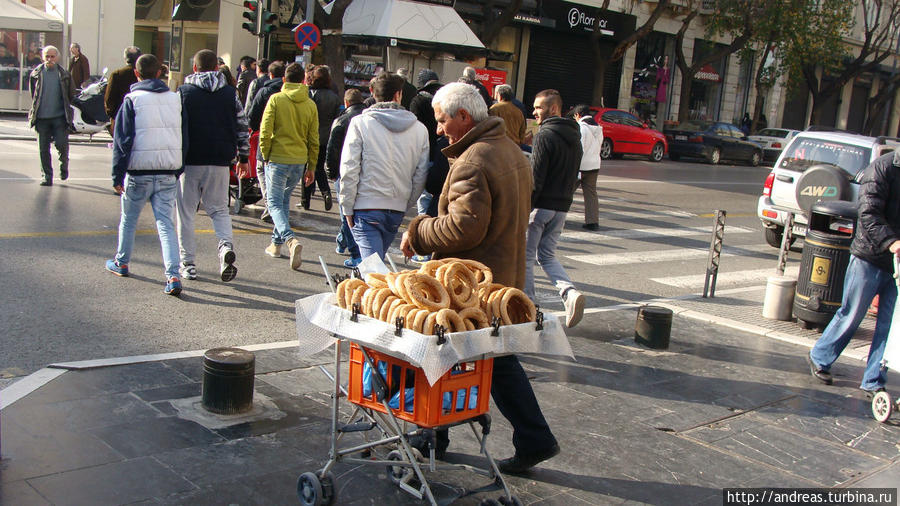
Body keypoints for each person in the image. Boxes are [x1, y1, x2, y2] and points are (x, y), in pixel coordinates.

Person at [400, 82, 560, 474]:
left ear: (463, 117)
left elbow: (464, 228)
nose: (439, 130)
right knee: (496, 363)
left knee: (439, 352)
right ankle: (532, 438)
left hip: (472, 286)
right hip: (502, 277)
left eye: (441, 121)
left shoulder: (474, 160)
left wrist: (418, 231)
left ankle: (433, 434)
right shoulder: (510, 150)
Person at [807, 151, 900, 396]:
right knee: (852, 314)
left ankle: (873, 379)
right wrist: (891, 241)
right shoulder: (882, 168)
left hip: (897, 263)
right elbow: (868, 212)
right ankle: (820, 356)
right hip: (870, 256)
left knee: (889, 325)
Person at [105, 54, 184, 296]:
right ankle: (172, 275)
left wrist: (116, 176)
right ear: (160, 72)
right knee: (166, 224)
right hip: (167, 171)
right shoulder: (176, 99)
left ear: (136, 74)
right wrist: (178, 167)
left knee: (129, 219)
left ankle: (122, 262)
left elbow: (122, 141)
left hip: (138, 171)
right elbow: (185, 135)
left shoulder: (132, 100)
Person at [176, 49, 250, 283]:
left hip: (190, 160)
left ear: (195, 68)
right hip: (220, 160)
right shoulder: (230, 93)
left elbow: (176, 125)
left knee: (186, 213)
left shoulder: (184, 92)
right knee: (219, 210)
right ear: (217, 68)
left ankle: (188, 264)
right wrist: (244, 157)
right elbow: (242, 125)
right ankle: (225, 247)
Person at [338, 72, 429, 261]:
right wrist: (405, 203)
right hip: (395, 208)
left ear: (371, 92)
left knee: (373, 272)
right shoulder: (420, 129)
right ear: (398, 95)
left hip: (365, 205)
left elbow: (349, 168)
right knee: (373, 267)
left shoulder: (360, 123)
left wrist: (347, 206)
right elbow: (421, 174)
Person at [527, 89, 585, 328]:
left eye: (538, 107)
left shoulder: (545, 135)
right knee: (547, 256)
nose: (534, 112)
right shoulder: (575, 137)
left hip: (540, 207)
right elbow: (575, 177)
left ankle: (527, 308)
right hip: (561, 208)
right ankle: (569, 293)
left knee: (526, 257)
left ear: (553, 109)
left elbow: (535, 178)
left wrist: (525, 208)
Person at [258, 62, 319, 271]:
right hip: (299, 160)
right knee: (283, 201)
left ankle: (289, 239)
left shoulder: (276, 99)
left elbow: (265, 131)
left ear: (284, 79)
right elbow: (314, 139)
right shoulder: (310, 105)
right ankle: (275, 245)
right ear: (303, 80)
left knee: (273, 203)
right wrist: (312, 165)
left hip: (277, 158)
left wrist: (265, 155)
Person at [326, 88, 366, 267]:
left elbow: (332, 150)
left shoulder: (341, 121)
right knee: (350, 212)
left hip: (345, 171)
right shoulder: (367, 119)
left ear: (346, 103)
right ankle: (343, 241)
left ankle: (355, 252)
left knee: (346, 213)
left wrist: (332, 173)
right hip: (364, 172)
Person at [28, 45, 75, 187]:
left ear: (57, 57)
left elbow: (71, 94)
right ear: (43, 57)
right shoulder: (36, 74)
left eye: (52, 56)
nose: (49, 59)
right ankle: (47, 176)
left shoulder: (64, 74)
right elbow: (33, 95)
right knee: (43, 149)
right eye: (47, 56)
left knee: (61, 144)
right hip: (41, 118)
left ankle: (64, 164)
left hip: (59, 118)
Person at [247, 61, 286, 222]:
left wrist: (255, 128)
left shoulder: (264, 92)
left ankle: (271, 207)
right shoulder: (294, 94)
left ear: (270, 75)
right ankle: (278, 207)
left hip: (267, 139)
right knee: (282, 178)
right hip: (289, 143)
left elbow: (252, 116)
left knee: (262, 170)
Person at [300, 65, 340, 211]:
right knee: (319, 167)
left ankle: (306, 200)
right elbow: (337, 118)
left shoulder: (311, 95)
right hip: (326, 136)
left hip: (311, 136)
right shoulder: (334, 98)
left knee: (308, 167)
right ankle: (326, 192)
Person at [572, 104, 603, 232]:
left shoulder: (581, 128)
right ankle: (592, 222)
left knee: (567, 191)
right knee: (591, 195)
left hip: (581, 166)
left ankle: (557, 217)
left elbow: (580, 149)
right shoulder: (598, 128)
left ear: (578, 115)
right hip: (594, 165)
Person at [105, 46, 141, 132]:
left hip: (120, 118)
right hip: (140, 118)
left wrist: (112, 116)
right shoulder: (144, 74)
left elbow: (109, 99)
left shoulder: (117, 74)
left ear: (125, 58)